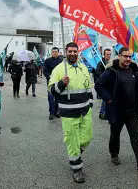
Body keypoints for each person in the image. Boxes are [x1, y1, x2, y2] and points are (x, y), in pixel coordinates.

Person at [48, 42, 93, 183]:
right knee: (72, 141)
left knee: (87, 137)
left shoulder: (83, 67)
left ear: (78, 52)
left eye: (75, 51)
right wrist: (61, 83)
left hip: (85, 110)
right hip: (69, 112)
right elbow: (51, 89)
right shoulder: (59, 69)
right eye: (70, 51)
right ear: (66, 52)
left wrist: (90, 103)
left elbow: (88, 87)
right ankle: (76, 169)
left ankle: (76, 154)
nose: (73, 54)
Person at [95, 47, 138, 171]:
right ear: (119, 56)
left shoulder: (134, 70)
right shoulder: (111, 71)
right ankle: (114, 154)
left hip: (132, 111)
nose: (128, 59)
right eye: (125, 56)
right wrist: (108, 99)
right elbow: (98, 85)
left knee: (136, 136)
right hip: (117, 111)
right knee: (115, 135)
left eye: (130, 56)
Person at [43, 47, 62, 120]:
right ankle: (51, 112)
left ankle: (56, 111)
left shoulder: (61, 61)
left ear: (58, 52)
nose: (54, 53)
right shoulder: (47, 61)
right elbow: (45, 70)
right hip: (50, 82)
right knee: (50, 97)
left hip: (59, 82)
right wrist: (49, 77)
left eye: (55, 51)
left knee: (58, 97)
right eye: (53, 52)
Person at [95, 48, 111, 120]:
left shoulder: (111, 62)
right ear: (104, 55)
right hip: (103, 84)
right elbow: (98, 73)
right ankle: (101, 113)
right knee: (105, 99)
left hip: (109, 84)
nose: (109, 56)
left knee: (109, 99)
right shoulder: (100, 63)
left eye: (110, 54)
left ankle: (108, 113)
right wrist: (105, 76)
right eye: (107, 54)